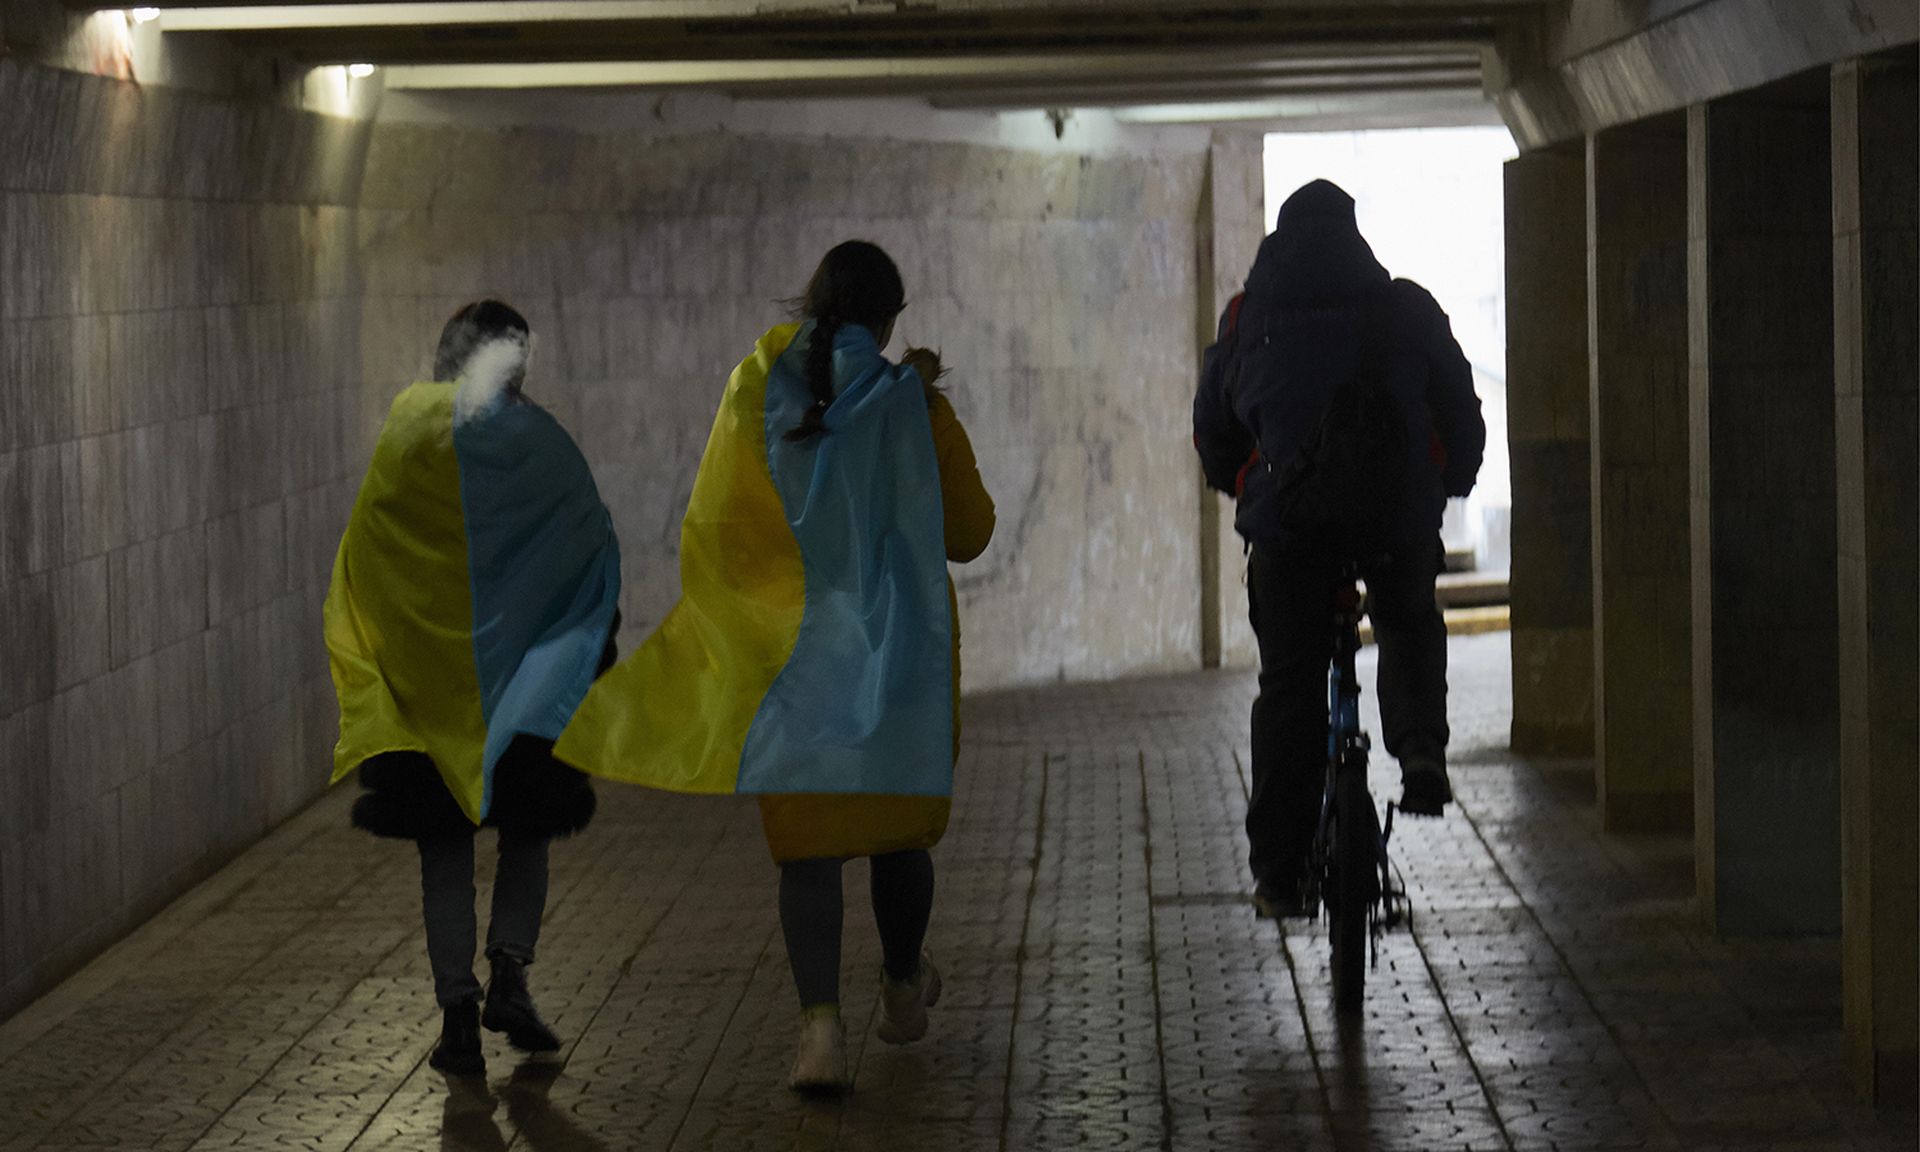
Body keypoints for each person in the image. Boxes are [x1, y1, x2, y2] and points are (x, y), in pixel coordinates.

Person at [556, 241, 994, 1093]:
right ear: (890, 318)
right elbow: (970, 532)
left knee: (810, 853)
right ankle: (902, 987)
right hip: (899, 664)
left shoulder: (753, 398)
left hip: (795, 663)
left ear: (813, 305)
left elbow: (720, 526)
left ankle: (820, 1037)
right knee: (899, 837)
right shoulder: (917, 409)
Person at [325, 300, 622, 1075]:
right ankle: (512, 976)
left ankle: (457, 1011)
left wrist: (386, 658)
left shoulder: (407, 441)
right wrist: (586, 656)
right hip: (523, 689)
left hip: (432, 689)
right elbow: (592, 551)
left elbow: (366, 554)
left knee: (444, 848)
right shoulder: (543, 448)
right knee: (528, 832)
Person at [1192, 180, 1485, 919]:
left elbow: (1215, 429)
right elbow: (1462, 408)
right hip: (1394, 518)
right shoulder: (1404, 308)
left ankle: (1282, 874)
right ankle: (1419, 752)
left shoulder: (1245, 316)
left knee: (1291, 687)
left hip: (1290, 530)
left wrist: (1244, 488)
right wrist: (1445, 485)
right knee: (1409, 618)